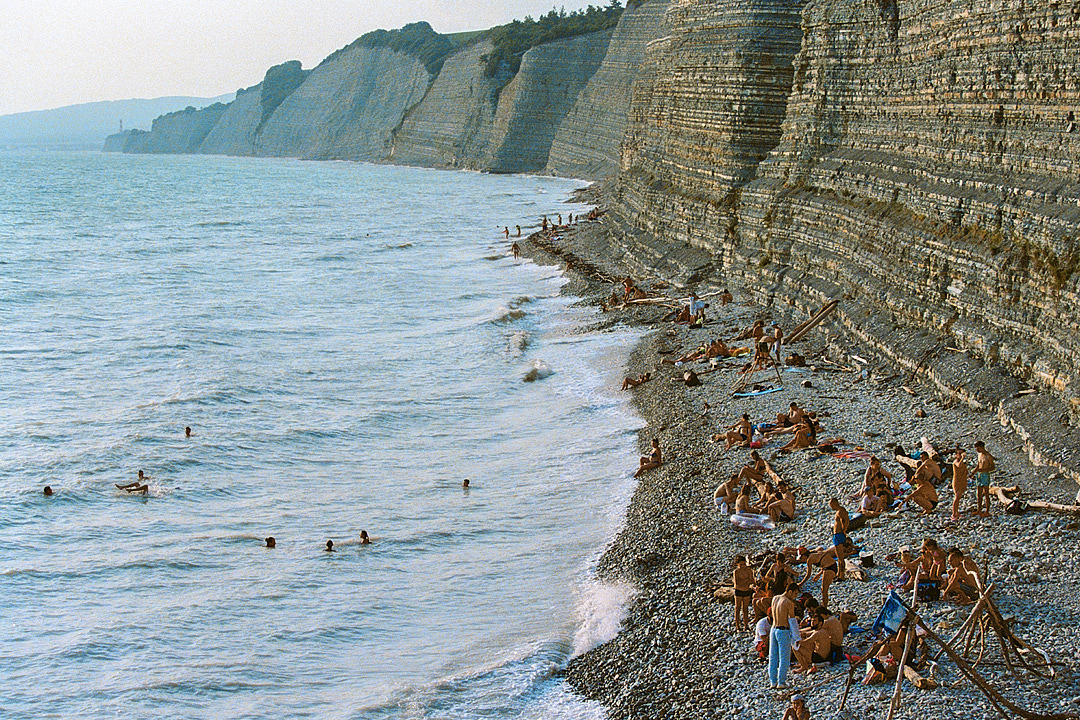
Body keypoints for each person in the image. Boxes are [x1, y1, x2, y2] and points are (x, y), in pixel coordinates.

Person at [769, 583, 801, 689]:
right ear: (790, 591)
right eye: (795, 594)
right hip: (783, 630)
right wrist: (796, 637)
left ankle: (773, 681)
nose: (795, 597)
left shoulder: (775, 598)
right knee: (784, 657)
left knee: (773, 657)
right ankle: (781, 682)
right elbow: (792, 621)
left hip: (773, 629)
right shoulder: (788, 602)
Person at [974, 441, 996, 517]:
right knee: (979, 493)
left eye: (978, 448)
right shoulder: (979, 454)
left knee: (986, 493)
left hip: (985, 475)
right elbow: (978, 465)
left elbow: (993, 467)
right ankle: (979, 510)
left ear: (982, 447)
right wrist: (973, 472)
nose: (977, 450)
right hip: (979, 475)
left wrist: (984, 470)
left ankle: (987, 511)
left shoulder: (988, 456)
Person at [733, 555, 755, 631]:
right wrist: (746, 581)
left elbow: (752, 580)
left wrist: (743, 582)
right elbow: (737, 583)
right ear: (737, 564)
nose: (743, 566)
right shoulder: (736, 572)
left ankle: (746, 625)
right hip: (738, 591)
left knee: (745, 609)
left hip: (746, 590)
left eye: (744, 564)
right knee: (737, 608)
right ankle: (738, 626)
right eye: (741, 564)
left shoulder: (749, 571)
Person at [951, 448, 969, 521]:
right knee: (957, 497)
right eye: (959, 454)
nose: (960, 455)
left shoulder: (963, 463)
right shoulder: (956, 461)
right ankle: (953, 514)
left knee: (959, 497)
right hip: (957, 481)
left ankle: (957, 512)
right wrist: (962, 458)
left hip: (962, 480)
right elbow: (958, 465)